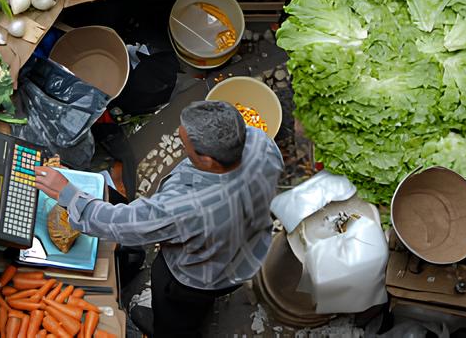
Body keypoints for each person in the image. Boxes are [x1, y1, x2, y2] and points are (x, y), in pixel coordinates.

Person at [33, 100, 284, 338]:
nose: (181, 146)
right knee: (203, 301)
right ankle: (197, 312)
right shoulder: (261, 144)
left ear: (208, 160)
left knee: (177, 314)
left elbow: (126, 225)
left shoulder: (187, 205)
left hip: (195, 276)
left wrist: (67, 193)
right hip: (247, 255)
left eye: (185, 145)